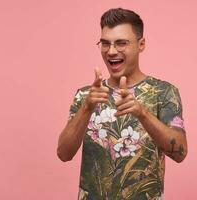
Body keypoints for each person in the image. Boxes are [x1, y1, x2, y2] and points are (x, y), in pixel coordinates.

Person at [57, 7, 188, 200]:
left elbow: (180, 153)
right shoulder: (86, 95)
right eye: (105, 43)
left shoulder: (164, 92)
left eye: (121, 43)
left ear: (141, 44)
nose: (111, 51)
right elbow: (64, 154)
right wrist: (86, 107)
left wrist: (142, 113)